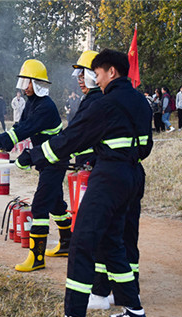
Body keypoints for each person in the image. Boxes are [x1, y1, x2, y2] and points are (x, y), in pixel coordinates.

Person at [22, 49, 152, 317]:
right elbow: (145, 146)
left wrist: (34, 156)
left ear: (112, 72)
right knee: (112, 241)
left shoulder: (105, 103)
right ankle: (134, 312)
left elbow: (71, 138)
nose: (95, 78)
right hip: (133, 175)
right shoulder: (141, 102)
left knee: (82, 242)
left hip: (108, 177)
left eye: (98, 73)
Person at [0, 59, 70, 273]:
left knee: (40, 206)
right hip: (45, 158)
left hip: (53, 159)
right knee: (56, 203)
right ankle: (67, 244)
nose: (23, 85)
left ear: (37, 83)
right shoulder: (32, 102)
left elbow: (20, 133)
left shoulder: (46, 107)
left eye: (27, 81)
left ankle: (37, 258)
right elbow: (19, 127)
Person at [46, 50, 102, 258]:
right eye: (78, 76)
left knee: (89, 210)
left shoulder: (96, 102)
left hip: (94, 165)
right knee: (80, 207)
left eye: (82, 75)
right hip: (84, 162)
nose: (79, 80)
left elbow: (76, 135)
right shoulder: (87, 100)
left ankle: (89, 252)